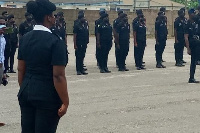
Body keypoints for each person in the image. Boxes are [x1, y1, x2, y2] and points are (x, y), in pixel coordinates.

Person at [17, 0, 69, 132]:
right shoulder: (55, 42)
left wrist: (26, 89)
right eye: (53, 15)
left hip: (26, 91)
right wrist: (65, 101)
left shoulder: (25, 38)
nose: (54, 18)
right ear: (48, 18)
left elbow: (20, 69)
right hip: (46, 94)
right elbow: (58, 76)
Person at [184, 9, 200, 83]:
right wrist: (188, 48)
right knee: (193, 62)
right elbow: (186, 37)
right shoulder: (187, 24)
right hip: (193, 45)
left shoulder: (197, 22)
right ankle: (191, 78)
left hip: (198, 44)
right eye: (193, 13)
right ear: (190, 14)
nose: (195, 14)